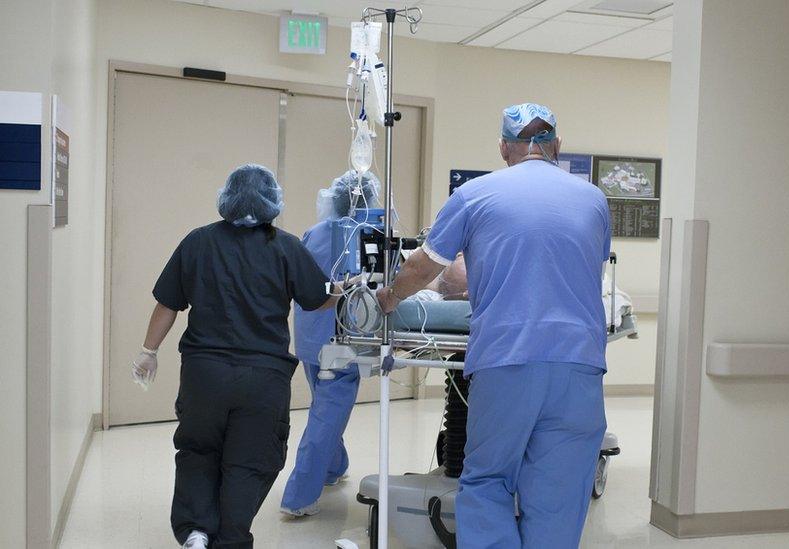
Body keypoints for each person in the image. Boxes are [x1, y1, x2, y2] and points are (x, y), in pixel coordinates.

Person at [377, 103, 611, 548]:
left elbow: (425, 267)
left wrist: (389, 296)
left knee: (487, 481)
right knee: (559, 494)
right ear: (557, 146)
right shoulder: (594, 199)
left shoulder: (475, 195)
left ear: (505, 147)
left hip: (507, 360)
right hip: (579, 365)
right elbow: (586, 269)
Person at [130, 164, 344, 549]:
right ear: (272, 202)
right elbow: (317, 301)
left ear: (225, 198)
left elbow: (168, 303)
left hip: (204, 375)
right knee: (249, 460)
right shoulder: (286, 247)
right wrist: (341, 289)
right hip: (262, 378)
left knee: (198, 450)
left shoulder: (197, 242)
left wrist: (149, 351)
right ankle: (231, 537)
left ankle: (196, 531)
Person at [280, 170, 381, 517]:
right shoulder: (372, 235)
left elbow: (303, 280)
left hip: (310, 337)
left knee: (325, 407)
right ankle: (298, 497)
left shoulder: (315, 232)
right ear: (370, 200)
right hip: (344, 342)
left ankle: (334, 468)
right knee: (325, 416)